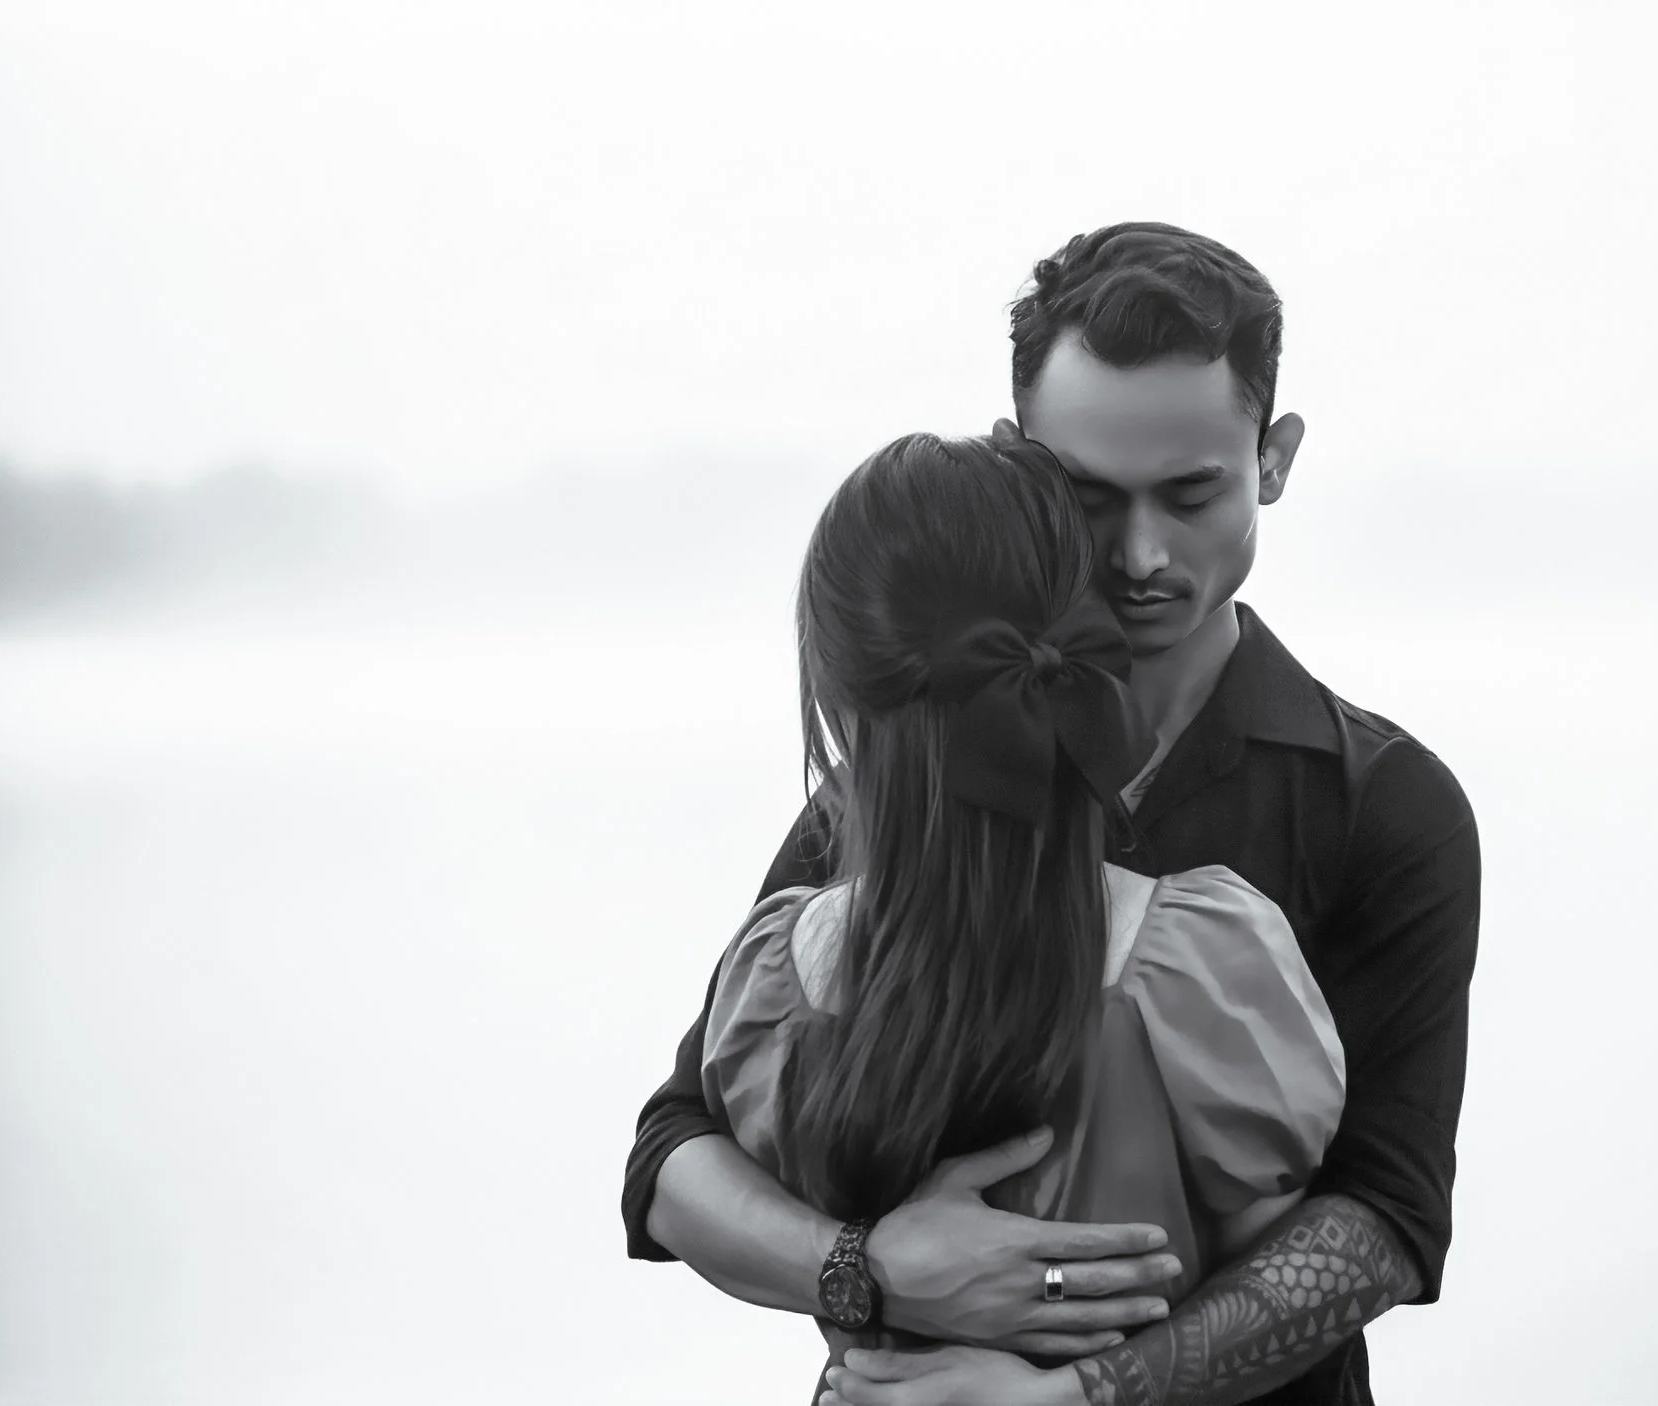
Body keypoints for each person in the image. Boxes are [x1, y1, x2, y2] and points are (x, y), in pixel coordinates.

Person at [624, 222, 1482, 1406]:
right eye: (1088, 498)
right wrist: (863, 1271)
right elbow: (673, 1152)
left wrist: (1080, 1394)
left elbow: (1386, 1217)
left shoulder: (1382, 802)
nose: (1140, 557)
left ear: (1272, 457)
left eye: (1191, 494)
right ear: (1023, 467)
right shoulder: (890, 786)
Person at [701, 430, 1348, 1404]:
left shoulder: (778, 982)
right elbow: (1289, 1314)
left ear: (836, 704)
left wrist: (862, 1267)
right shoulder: (1208, 962)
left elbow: (696, 1176)